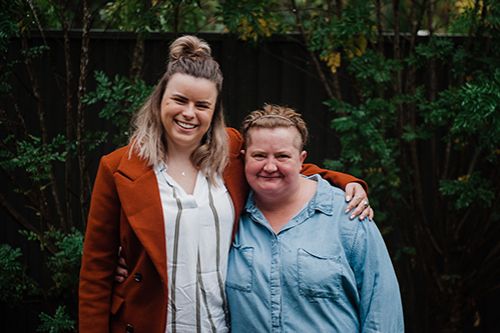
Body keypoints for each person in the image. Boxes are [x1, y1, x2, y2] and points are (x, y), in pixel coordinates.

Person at [79, 35, 372, 333]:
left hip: (222, 326)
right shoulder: (118, 168)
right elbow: (95, 273)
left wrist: (346, 182)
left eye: (202, 105)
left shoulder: (230, 152)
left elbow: (281, 164)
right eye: (179, 100)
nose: (189, 113)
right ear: (159, 101)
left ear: (214, 111)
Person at [226, 105, 404, 332]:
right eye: (259, 155)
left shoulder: (347, 214)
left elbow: (381, 308)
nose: (270, 166)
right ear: (244, 158)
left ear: (301, 160)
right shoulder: (231, 212)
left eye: (282, 156)